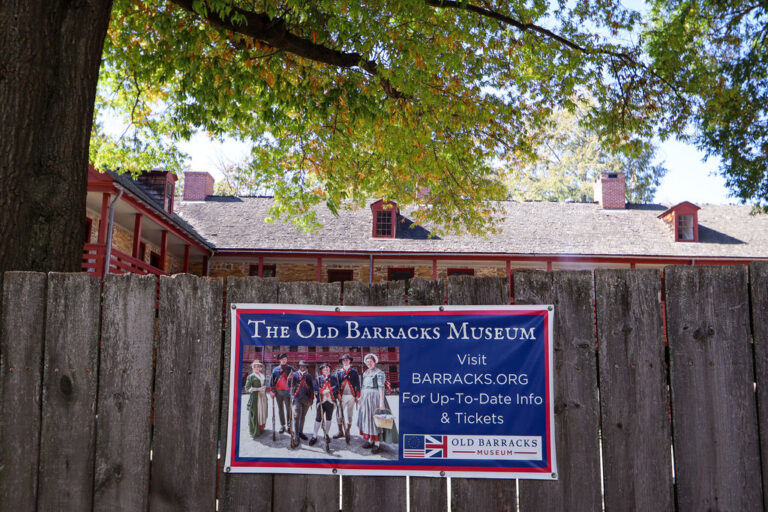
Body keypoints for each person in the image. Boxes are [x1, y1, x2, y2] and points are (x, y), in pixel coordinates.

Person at [357, 353, 387, 454]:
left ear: (374, 362)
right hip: (365, 397)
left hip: (375, 397)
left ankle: (377, 443)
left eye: (371, 361)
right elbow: (363, 386)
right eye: (367, 362)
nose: (369, 363)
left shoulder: (379, 373)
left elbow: (381, 387)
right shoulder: (365, 372)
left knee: (375, 419)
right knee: (367, 418)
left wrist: (382, 402)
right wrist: (361, 397)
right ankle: (370, 440)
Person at [310, 363, 338, 447]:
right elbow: (314, 387)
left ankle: (326, 434)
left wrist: (329, 390)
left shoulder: (333, 378)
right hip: (321, 401)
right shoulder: (318, 379)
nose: (326, 369)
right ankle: (314, 435)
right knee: (318, 418)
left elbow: (336, 386)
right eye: (324, 368)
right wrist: (322, 390)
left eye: (328, 368)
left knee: (329, 418)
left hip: (330, 401)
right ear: (322, 370)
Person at [334, 354, 360, 439]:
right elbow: (336, 384)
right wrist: (338, 394)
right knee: (339, 414)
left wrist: (357, 396)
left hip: (352, 396)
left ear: (350, 361)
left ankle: (348, 430)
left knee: (350, 414)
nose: (345, 361)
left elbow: (357, 384)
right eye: (344, 360)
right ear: (342, 362)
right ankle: (340, 431)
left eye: (347, 360)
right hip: (342, 396)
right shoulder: (339, 372)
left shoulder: (354, 372)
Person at [269, 353, 295, 434]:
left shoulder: (291, 369)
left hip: (288, 392)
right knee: (280, 409)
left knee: (288, 409)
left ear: (287, 359)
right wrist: (271, 391)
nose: (284, 360)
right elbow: (272, 381)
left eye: (285, 359)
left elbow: (296, 379)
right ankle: (282, 425)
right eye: (282, 359)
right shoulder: (275, 369)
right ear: (279, 360)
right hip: (278, 392)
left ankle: (289, 426)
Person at [291, 360, 314, 447]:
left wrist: (312, 398)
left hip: (306, 399)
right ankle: (296, 436)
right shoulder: (295, 375)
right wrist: (289, 379)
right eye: (301, 365)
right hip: (297, 398)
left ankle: (300, 432)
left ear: (306, 367)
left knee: (303, 416)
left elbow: (311, 388)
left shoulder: (309, 376)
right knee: (297, 416)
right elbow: (290, 385)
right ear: (299, 366)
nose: (302, 367)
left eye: (304, 366)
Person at [244, 360, 268, 438]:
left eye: (258, 366)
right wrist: (258, 389)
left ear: (260, 368)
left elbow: (263, 385)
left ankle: (261, 428)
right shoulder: (251, 376)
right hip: (255, 397)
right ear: (253, 367)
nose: (257, 368)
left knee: (262, 412)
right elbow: (247, 388)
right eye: (255, 366)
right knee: (255, 413)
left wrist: (264, 388)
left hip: (262, 396)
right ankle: (254, 431)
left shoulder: (262, 375)